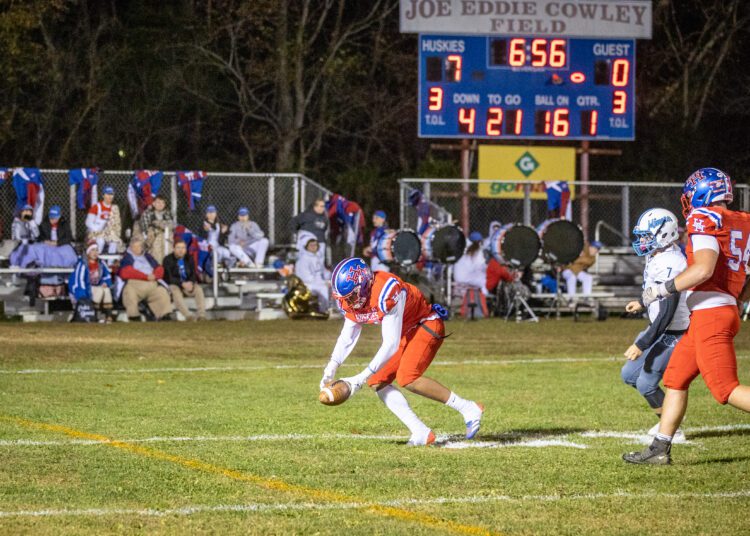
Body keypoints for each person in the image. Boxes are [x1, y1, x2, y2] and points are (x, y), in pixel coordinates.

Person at [624, 168, 750, 465]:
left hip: (710, 313)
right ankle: (660, 448)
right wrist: (736, 299)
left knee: (725, 389)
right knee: (676, 378)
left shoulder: (704, 217)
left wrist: (659, 290)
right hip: (719, 310)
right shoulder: (742, 221)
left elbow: (703, 269)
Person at [320, 258, 484, 446]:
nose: (348, 302)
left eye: (351, 296)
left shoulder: (387, 290)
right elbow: (348, 335)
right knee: (377, 381)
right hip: (405, 332)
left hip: (425, 324)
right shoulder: (352, 301)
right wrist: (332, 366)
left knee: (408, 377)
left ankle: (468, 408)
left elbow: (390, 344)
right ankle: (420, 431)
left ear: (365, 283)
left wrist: (359, 378)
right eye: (344, 297)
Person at [620, 208, 689, 441]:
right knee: (629, 375)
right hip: (660, 327)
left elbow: (668, 310)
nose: (642, 241)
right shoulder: (658, 254)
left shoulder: (672, 262)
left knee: (646, 383)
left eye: (647, 236)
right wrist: (642, 302)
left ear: (664, 234)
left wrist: (642, 343)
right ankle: (669, 417)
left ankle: (672, 427)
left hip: (674, 331)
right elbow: (657, 291)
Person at [119, 237, 173, 321]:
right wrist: (146, 277)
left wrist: (155, 275)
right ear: (131, 247)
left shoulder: (147, 256)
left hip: (152, 283)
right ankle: (134, 316)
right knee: (129, 292)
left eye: (139, 246)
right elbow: (125, 272)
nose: (137, 248)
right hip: (136, 284)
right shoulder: (127, 257)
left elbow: (159, 268)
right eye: (135, 246)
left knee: (161, 292)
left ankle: (164, 315)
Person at [69, 241, 115, 322]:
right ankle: (93, 313)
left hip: (96, 288)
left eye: (97, 250)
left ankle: (108, 315)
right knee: (100, 290)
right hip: (82, 290)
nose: (95, 253)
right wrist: (82, 295)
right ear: (88, 252)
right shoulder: (82, 264)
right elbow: (78, 281)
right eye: (92, 250)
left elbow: (107, 276)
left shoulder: (101, 263)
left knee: (106, 290)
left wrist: (105, 282)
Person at [163, 239, 207, 321]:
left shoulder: (189, 258)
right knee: (174, 289)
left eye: (183, 248)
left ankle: (201, 315)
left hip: (187, 285)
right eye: (178, 248)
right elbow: (169, 277)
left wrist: (191, 282)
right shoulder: (167, 260)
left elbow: (193, 274)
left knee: (198, 289)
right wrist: (182, 283)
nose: (181, 250)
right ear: (174, 249)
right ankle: (188, 315)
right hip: (175, 284)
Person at [294, 231, 330, 313]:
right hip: (307, 284)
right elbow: (306, 278)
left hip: (319, 282)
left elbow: (324, 272)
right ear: (306, 246)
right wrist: (323, 282)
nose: (314, 247)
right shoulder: (303, 259)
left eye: (315, 245)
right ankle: (324, 310)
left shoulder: (317, 257)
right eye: (311, 245)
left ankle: (335, 309)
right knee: (323, 288)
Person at [85, 186, 123, 254]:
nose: (110, 196)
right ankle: (97, 258)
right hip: (97, 232)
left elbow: (116, 224)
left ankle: (110, 260)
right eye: (107, 194)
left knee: (114, 242)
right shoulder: (96, 206)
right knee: (100, 241)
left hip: (109, 232)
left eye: (111, 194)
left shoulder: (114, 208)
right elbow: (88, 222)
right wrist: (97, 229)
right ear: (103, 195)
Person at [138, 195, 175, 263]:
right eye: (158, 202)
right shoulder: (147, 213)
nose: (160, 204)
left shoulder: (168, 213)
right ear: (153, 203)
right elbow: (144, 229)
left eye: (163, 202)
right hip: (153, 238)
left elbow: (171, 226)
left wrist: (161, 225)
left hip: (166, 238)